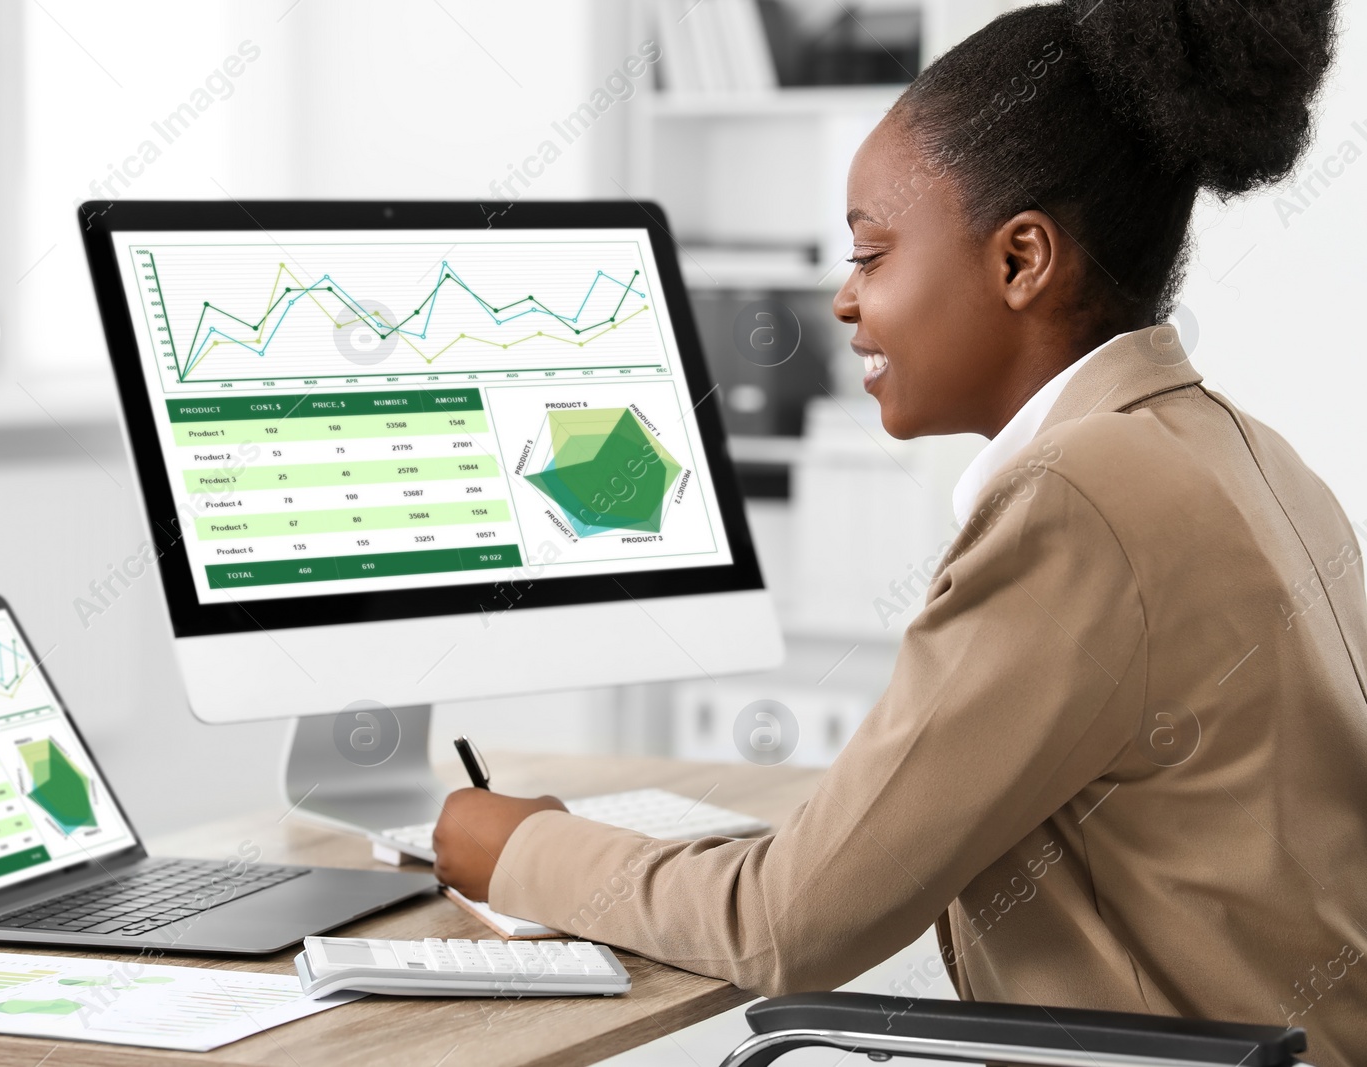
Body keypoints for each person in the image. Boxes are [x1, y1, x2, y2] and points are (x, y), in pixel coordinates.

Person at [432, 0, 1366, 1062]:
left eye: (870, 255)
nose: (842, 300)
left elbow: (785, 923)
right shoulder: (1248, 455)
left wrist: (517, 845)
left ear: (1021, 260)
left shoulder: (1081, 496)